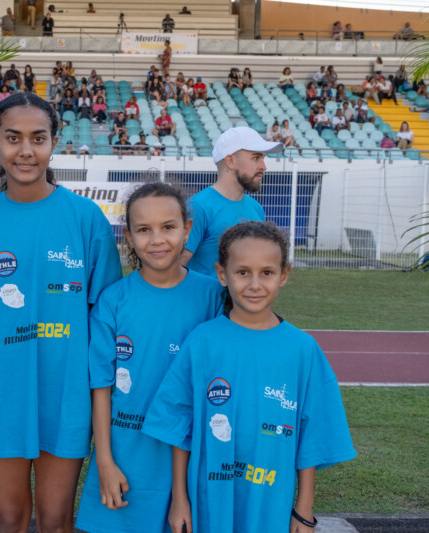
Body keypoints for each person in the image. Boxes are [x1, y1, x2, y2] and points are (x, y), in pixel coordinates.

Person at [0, 91, 121, 533]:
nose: (25, 151)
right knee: (9, 518)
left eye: (38, 138)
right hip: (0, 389)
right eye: (13, 138)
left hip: (67, 391)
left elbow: (104, 316)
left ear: (55, 142)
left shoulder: (87, 219)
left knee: (55, 520)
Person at [145, 220, 356, 533]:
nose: (254, 284)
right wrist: (180, 499)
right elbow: (178, 424)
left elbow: (313, 436)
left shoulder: (302, 350)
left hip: (271, 501)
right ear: (222, 274)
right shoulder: (203, 342)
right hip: (210, 499)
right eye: (242, 272)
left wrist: (304, 509)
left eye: (266, 273)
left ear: (283, 275)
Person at [75, 182, 224, 533]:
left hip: (191, 455)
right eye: (144, 230)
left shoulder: (214, 297)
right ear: (128, 236)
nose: (157, 240)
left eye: (168, 227)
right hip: (128, 455)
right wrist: (106, 462)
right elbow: (101, 386)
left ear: (187, 230)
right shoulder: (114, 300)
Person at [181, 127, 282, 276]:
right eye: (255, 158)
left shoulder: (257, 208)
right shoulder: (198, 207)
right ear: (231, 161)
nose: (263, 167)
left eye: (263, 158)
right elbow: (173, 271)